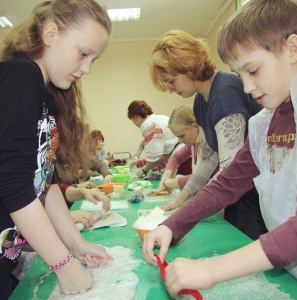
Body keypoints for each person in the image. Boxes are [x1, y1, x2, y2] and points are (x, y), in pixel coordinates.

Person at [142, 0, 297, 298]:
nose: (247, 87)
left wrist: (212, 269)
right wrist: (173, 225)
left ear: (293, 49)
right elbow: (227, 183)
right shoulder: (265, 123)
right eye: (240, 75)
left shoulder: (228, 97)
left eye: (253, 70)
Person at [0, 1, 113, 298]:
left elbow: (42, 185)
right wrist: (64, 265)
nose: (87, 68)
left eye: (94, 60)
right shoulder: (20, 76)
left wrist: (77, 245)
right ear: (50, 34)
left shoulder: (47, 96)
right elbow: (12, 185)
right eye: (83, 53)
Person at [146, 28, 266, 240]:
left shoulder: (225, 93)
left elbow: (230, 170)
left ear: (188, 69)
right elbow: (208, 160)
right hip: (238, 192)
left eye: (171, 81)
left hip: (256, 192)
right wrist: (181, 199)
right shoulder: (201, 100)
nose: (170, 90)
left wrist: (183, 215)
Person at [149, 104, 219, 213]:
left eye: (182, 136)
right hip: (202, 199)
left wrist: (168, 183)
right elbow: (176, 158)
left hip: (217, 203)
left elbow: (202, 177)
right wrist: (163, 182)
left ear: (195, 127)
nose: (180, 141)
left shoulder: (209, 144)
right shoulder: (193, 144)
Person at [127, 100, 190, 178]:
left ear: (135, 117)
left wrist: (144, 170)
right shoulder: (159, 118)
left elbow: (154, 156)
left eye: (133, 121)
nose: (135, 124)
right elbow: (162, 155)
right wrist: (142, 164)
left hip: (181, 158)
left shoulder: (147, 124)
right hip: (185, 155)